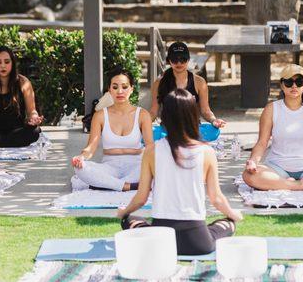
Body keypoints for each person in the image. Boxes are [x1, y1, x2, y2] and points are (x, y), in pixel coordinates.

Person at [117, 89, 242, 255]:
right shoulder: (207, 152)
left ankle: (137, 225)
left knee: (129, 220)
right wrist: (234, 215)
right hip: (198, 242)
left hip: (160, 242)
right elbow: (216, 198)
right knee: (228, 223)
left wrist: (123, 213)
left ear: (165, 116)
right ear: (193, 115)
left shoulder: (151, 151)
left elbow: (141, 198)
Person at [72, 68, 153, 191]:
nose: (120, 91)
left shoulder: (142, 114)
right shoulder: (100, 115)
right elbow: (91, 147)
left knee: (158, 165)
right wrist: (81, 157)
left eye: (125, 87)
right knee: (80, 168)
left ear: (131, 89)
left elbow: (150, 146)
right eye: (115, 87)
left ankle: (109, 185)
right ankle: (127, 186)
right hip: (110, 167)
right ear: (109, 90)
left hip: (136, 166)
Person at [0, 46, 43, 148]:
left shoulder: (23, 82)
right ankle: (4, 142)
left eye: (7, 62)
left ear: (12, 63)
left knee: (35, 131)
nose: (3, 66)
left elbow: (31, 110)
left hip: (16, 130)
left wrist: (34, 118)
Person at [150, 41, 225, 128]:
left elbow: (205, 110)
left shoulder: (199, 82)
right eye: (175, 60)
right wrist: (140, 124)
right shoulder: (159, 83)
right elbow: (153, 112)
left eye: (183, 59)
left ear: (188, 60)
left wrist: (214, 120)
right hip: (168, 131)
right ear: (169, 61)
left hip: (192, 129)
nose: (179, 63)